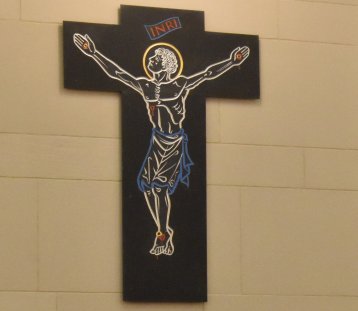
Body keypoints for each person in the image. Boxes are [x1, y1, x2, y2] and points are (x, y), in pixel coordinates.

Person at [72, 34, 250, 255]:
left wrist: (231, 62)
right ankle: (163, 230)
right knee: (146, 186)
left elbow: (207, 74)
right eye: (150, 58)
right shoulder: (145, 85)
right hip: (157, 141)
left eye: (155, 59)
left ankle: (162, 235)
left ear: (166, 63)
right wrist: (93, 53)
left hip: (173, 142)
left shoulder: (179, 84)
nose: (150, 61)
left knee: (159, 188)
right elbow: (117, 73)